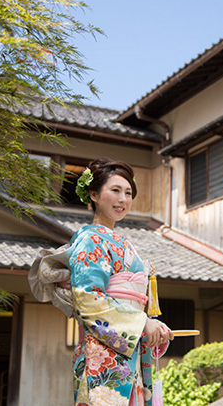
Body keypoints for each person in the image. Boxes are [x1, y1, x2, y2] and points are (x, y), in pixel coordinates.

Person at [67, 157, 173, 405]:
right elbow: (88, 298)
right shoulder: (90, 240)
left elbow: (137, 303)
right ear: (93, 194)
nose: (123, 199)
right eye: (115, 190)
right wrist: (141, 322)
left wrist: (151, 329)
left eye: (128, 193)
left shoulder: (124, 243)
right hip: (100, 352)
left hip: (129, 350)